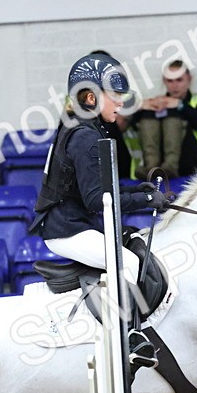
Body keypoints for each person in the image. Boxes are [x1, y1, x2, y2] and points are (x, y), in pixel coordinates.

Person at [31, 53, 169, 368]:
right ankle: (129, 338)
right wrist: (147, 202)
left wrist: (139, 191)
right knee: (130, 262)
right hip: (67, 229)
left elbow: (98, 191)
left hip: (74, 221)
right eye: (115, 95)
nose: (121, 102)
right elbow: (97, 201)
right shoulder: (85, 137)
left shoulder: (82, 127)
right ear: (91, 96)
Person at [133, 60, 197, 180]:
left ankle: (169, 168)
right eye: (170, 81)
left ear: (189, 79)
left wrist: (180, 105)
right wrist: (140, 106)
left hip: (191, 159)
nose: (174, 85)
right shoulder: (157, 103)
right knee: (148, 116)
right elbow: (134, 126)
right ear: (164, 81)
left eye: (179, 80)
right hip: (159, 165)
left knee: (172, 118)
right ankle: (151, 168)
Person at [90, 49, 134, 179]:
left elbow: (119, 122)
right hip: (91, 145)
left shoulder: (119, 90)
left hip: (116, 151)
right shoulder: (82, 93)